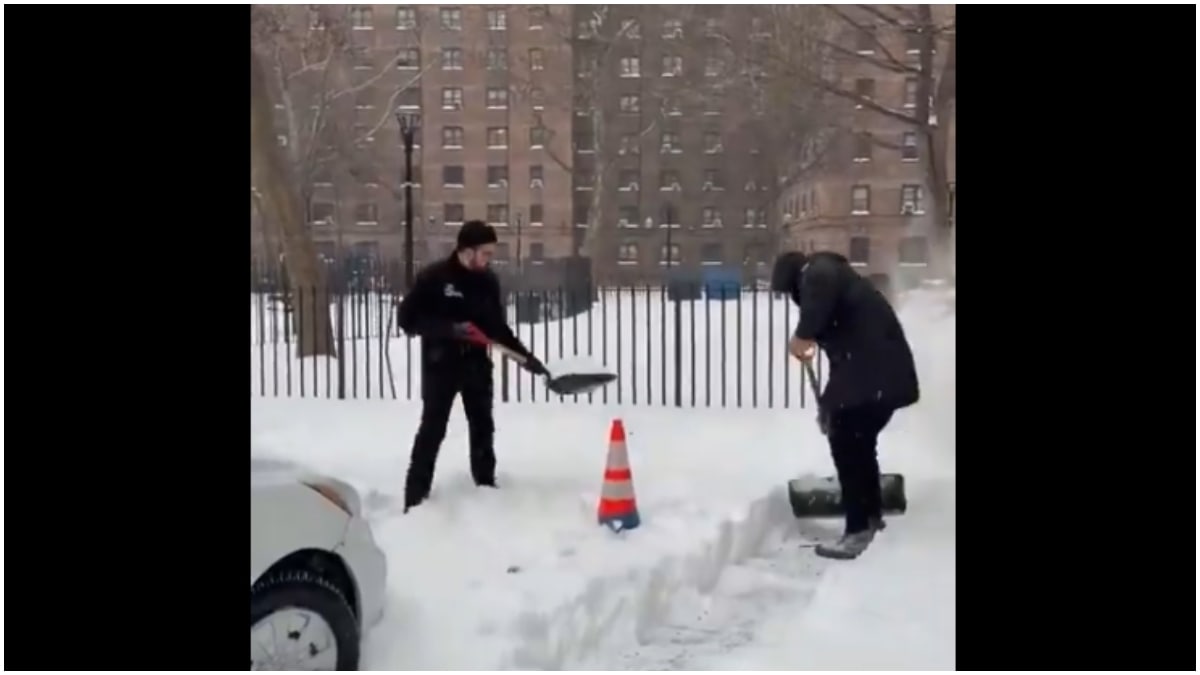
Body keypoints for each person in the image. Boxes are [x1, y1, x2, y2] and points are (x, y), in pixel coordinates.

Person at [771, 250, 920, 560]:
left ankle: (857, 529)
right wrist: (828, 406)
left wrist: (802, 335)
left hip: (876, 374)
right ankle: (870, 515)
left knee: (849, 444)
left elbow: (818, 295)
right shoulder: (840, 286)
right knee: (858, 441)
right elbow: (842, 363)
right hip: (879, 374)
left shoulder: (819, 271)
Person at [397, 220, 548, 513]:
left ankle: (485, 489)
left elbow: (496, 327)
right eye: (485, 253)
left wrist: (526, 358)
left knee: (482, 427)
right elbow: (408, 320)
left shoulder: (487, 281)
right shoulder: (434, 278)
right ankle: (414, 499)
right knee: (433, 428)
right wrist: (450, 329)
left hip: (476, 364)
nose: (489, 260)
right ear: (466, 251)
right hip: (441, 364)